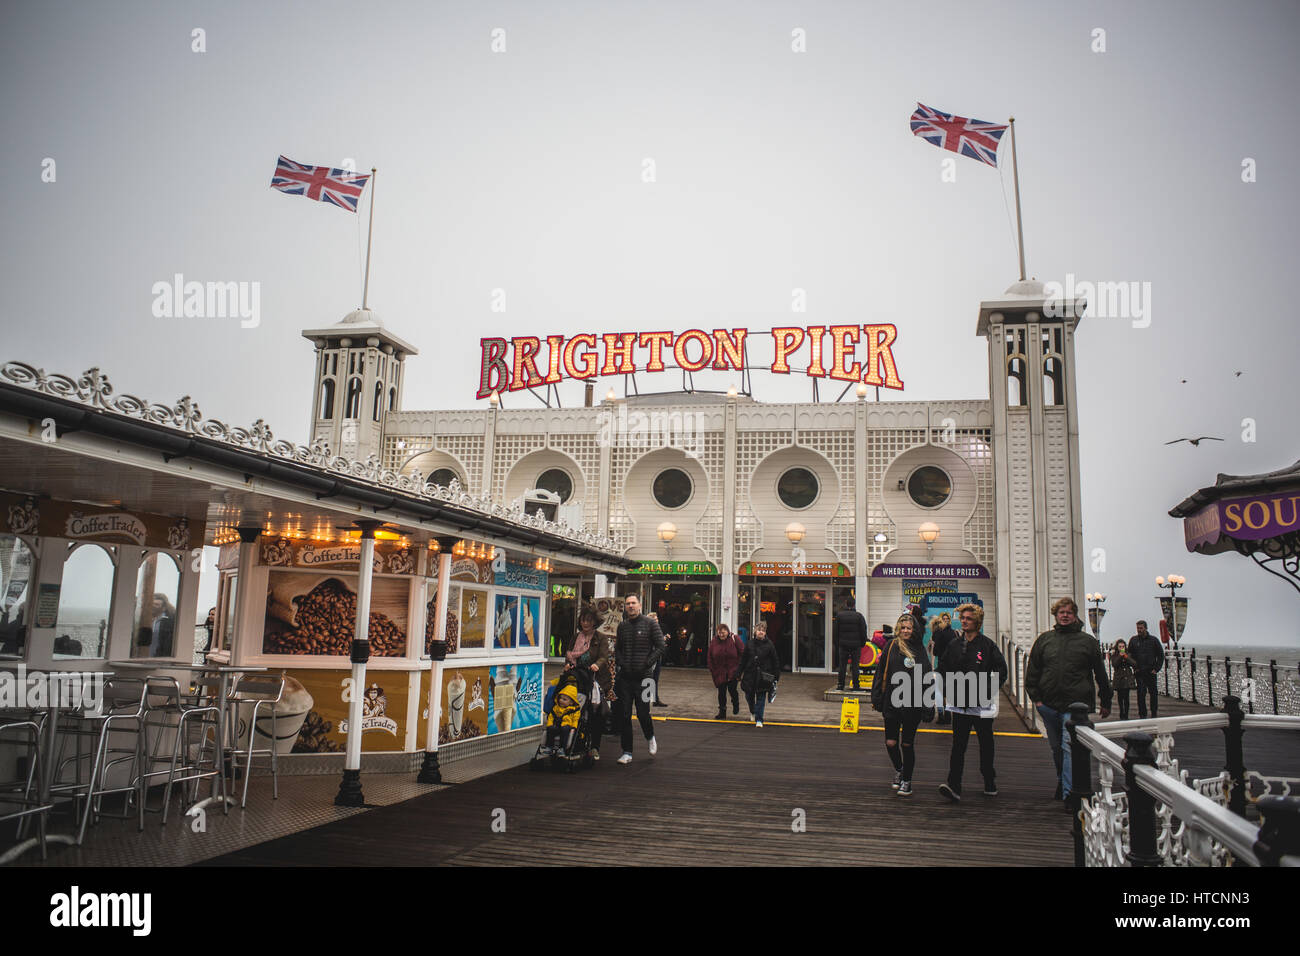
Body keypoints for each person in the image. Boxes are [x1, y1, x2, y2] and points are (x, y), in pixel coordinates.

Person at [1025, 596, 1112, 802]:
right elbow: (1033, 671)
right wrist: (1037, 700)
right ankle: (1062, 781)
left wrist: (1105, 700)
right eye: (1061, 612)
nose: (1065, 616)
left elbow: (1100, 673)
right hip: (1048, 704)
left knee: (1068, 748)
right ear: (1056, 615)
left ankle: (1069, 795)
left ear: (1075, 616)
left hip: (1075, 706)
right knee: (1056, 749)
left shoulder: (1087, 642)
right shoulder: (1045, 640)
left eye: (1069, 613)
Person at [937, 603, 1007, 802]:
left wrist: (988, 689)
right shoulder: (955, 645)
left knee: (986, 743)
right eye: (963, 618)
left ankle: (989, 780)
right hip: (959, 703)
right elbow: (943, 667)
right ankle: (954, 785)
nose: (964, 621)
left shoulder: (987, 645)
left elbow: (1002, 670)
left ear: (977, 622)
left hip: (981, 703)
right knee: (958, 745)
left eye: (968, 618)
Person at [872, 613, 935, 797]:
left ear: (914, 629)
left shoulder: (919, 649)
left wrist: (928, 705)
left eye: (909, 628)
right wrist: (877, 696)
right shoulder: (891, 646)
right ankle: (899, 769)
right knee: (891, 742)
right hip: (891, 702)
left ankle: (907, 780)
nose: (906, 631)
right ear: (898, 629)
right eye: (903, 628)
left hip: (912, 704)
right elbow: (880, 672)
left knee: (907, 744)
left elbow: (927, 677)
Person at [613, 594, 665, 764]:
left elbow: (661, 646)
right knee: (625, 714)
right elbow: (617, 649)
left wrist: (648, 663)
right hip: (626, 678)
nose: (630, 606)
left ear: (640, 605)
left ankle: (650, 737)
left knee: (643, 713)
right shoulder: (622, 626)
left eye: (633, 603)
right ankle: (627, 751)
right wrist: (621, 663)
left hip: (646, 678)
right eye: (628, 604)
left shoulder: (651, 624)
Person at [564, 607, 610, 759]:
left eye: (589, 620)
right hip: (577, 677)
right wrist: (567, 664)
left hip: (595, 679)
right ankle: (571, 740)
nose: (585, 623)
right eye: (583, 620)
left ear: (595, 622)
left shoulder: (601, 637)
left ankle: (595, 746)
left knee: (599, 712)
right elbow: (569, 653)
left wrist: (597, 664)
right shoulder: (576, 636)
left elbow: (604, 656)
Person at [739, 622, 780, 728]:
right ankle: (753, 711)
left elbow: (775, 660)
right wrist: (738, 672)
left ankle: (759, 719)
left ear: (765, 632)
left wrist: (776, 675)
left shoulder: (770, 644)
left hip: (764, 675)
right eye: (759, 630)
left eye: (763, 630)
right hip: (750, 675)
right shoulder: (749, 644)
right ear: (755, 632)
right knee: (749, 696)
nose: (761, 632)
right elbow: (743, 660)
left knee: (761, 698)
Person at [707, 622, 744, 719]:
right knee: (721, 692)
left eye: (723, 633)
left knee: (732, 690)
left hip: (733, 671)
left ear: (728, 632)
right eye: (719, 633)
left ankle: (735, 703)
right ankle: (722, 712)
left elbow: (742, 653)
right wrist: (712, 669)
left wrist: (739, 669)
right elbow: (710, 656)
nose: (721, 635)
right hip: (719, 672)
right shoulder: (714, 641)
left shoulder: (734, 639)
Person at [1129, 620, 1164, 718]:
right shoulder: (1134, 640)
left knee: (1153, 694)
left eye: (1141, 628)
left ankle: (1154, 713)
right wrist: (1134, 666)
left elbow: (1161, 655)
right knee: (1141, 694)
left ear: (1145, 628)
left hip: (1151, 671)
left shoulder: (1153, 640)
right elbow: (1129, 655)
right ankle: (1142, 714)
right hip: (1139, 672)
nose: (1139, 630)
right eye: (1138, 628)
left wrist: (1156, 669)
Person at [833, 597, 869, 692]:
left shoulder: (839, 616)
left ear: (846, 603)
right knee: (855, 666)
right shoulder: (859, 616)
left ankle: (840, 685)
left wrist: (837, 644)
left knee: (842, 665)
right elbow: (863, 630)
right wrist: (862, 643)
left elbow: (835, 631)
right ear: (854, 604)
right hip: (855, 645)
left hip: (843, 644)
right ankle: (856, 686)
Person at [929, 613, 958, 725]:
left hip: (943, 666)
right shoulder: (953, 632)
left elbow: (935, 652)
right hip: (953, 666)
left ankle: (943, 716)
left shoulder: (938, 633)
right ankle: (950, 715)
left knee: (940, 692)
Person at [1110, 639, 1135, 721]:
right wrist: (1120, 656)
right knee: (1120, 697)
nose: (1122, 648)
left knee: (1126, 697)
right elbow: (1114, 664)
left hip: (1127, 677)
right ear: (1117, 647)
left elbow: (1133, 663)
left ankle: (1126, 713)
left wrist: (1126, 657)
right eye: (1120, 647)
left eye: (1123, 646)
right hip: (1119, 678)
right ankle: (1121, 712)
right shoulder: (1114, 655)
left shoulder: (1128, 654)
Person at [647, 612, 668, 707]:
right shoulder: (647, 630)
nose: (657, 621)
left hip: (657, 657)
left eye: (657, 619)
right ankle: (646, 700)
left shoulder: (657, 630)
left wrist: (663, 640)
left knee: (655, 679)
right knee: (648, 679)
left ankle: (655, 699)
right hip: (650, 658)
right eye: (654, 620)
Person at [148, 593, 176, 657]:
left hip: (160, 658)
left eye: (156, 604)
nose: (153, 607)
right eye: (151, 604)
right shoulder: (145, 619)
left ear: (164, 607)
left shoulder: (169, 621)